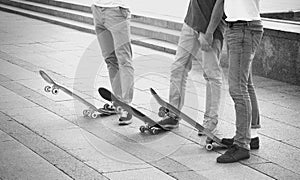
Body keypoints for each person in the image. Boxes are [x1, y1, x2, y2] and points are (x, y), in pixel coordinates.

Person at [203, 0, 263, 163]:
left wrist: (209, 32)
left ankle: (242, 145)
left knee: (238, 88)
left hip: (244, 29)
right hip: (240, 27)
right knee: (246, 84)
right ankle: (251, 136)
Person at [158, 0, 225, 137]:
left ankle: (210, 121)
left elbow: (220, 3)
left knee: (211, 75)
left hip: (211, 29)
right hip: (191, 23)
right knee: (178, 68)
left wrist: (209, 32)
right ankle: (173, 114)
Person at [91, 0, 134, 125]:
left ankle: (126, 106)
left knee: (124, 60)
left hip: (116, 10)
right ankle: (118, 102)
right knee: (110, 60)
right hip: (97, 9)